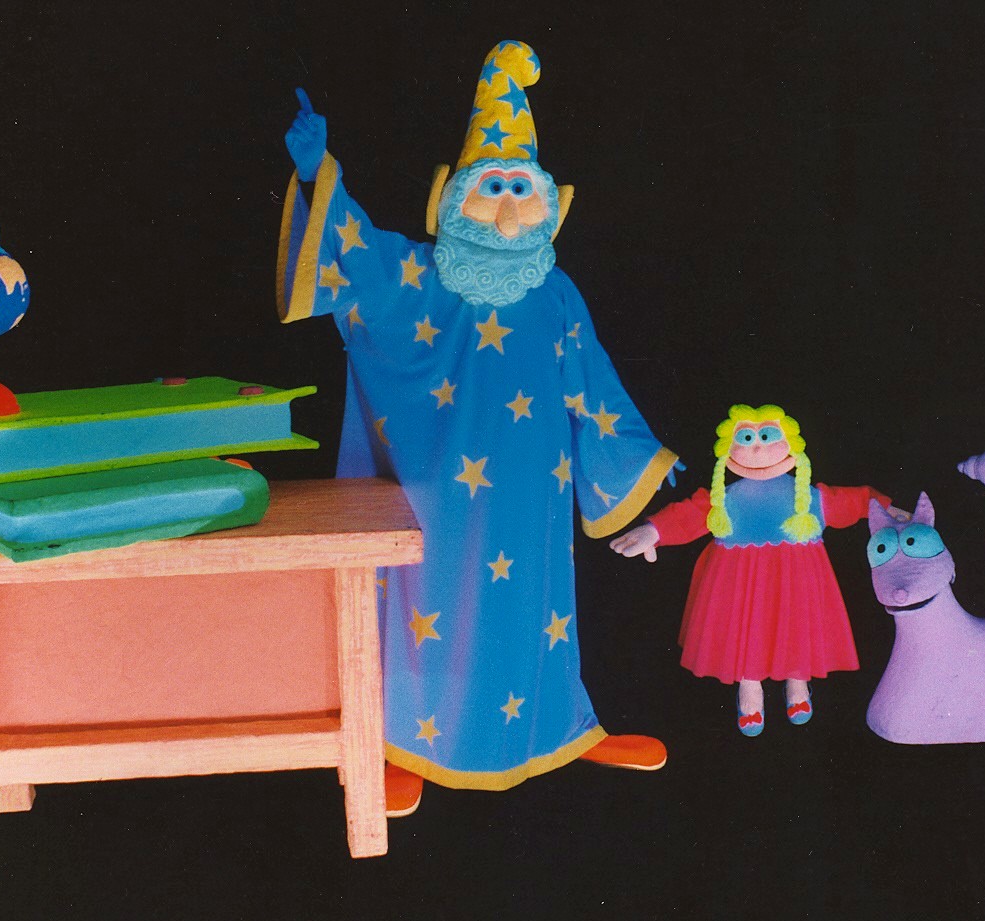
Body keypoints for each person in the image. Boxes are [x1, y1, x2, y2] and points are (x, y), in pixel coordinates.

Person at [276, 40, 679, 815]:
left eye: (519, 187)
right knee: (425, 601)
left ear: (549, 201)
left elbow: (591, 382)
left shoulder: (555, 292)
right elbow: (356, 258)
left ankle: (559, 729)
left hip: (532, 491)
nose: (506, 203)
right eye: (492, 185)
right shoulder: (418, 275)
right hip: (432, 489)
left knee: (535, 607)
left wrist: (636, 461)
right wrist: (316, 173)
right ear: (454, 195)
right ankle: (401, 741)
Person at [612, 404, 895, 736]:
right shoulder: (724, 499)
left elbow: (853, 500)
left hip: (796, 579)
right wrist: (655, 531)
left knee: (796, 623)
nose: (757, 448)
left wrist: (886, 509)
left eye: (767, 436)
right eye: (746, 438)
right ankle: (750, 686)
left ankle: (797, 682)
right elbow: (689, 515)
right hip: (739, 581)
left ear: (790, 444)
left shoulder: (809, 498)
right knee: (746, 626)